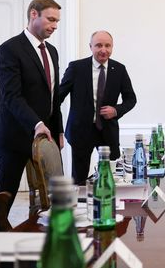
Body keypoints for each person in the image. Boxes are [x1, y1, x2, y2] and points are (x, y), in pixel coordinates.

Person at [0, 0, 64, 231]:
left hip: (46, 135)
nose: (54, 25)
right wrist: (36, 123)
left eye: (57, 21)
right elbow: (12, 96)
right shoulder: (10, 49)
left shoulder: (52, 51)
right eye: (50, 19)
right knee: (5, 191)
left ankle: (45, 235)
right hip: (15, 134)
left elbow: (54, 96)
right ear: (33, 14)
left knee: (54, 191)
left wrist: (57, 128)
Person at [59, 30, 137, 185]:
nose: (103, 49)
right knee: (79, 178)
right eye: (99, 45)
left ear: (112, 47)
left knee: (110, 176)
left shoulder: (119, 69)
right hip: (80, 131)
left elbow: (131, 99)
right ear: (90, 47)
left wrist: (116, 110)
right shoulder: (76, 68)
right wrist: (57, 128)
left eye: (108, 45)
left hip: (108, 131)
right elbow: (58, 98)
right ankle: (80, 207)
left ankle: (108, 205)